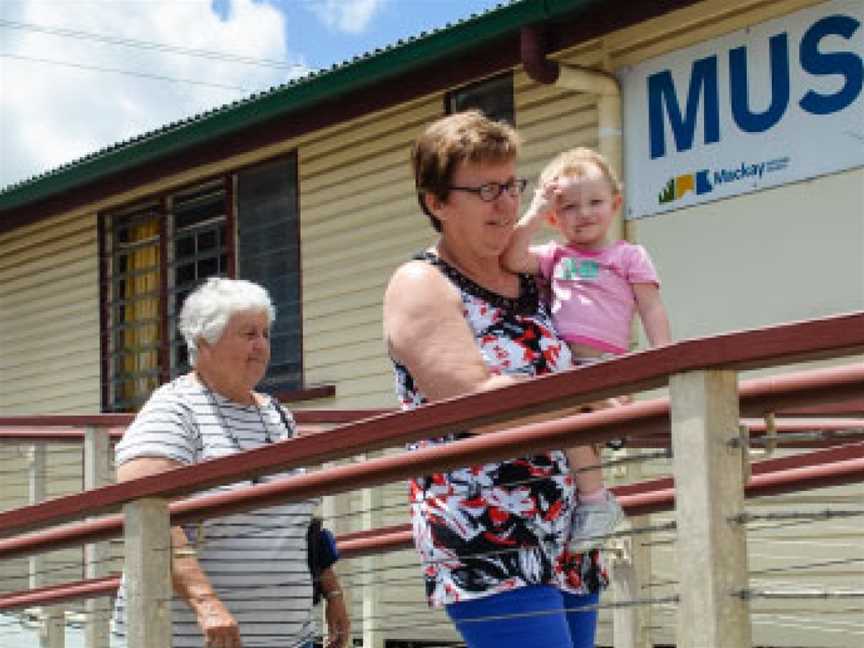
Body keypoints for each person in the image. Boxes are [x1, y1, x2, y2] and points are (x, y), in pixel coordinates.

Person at [383, 111, 607, 648]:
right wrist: (586, 408)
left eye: (511, 184)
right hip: (485, 531)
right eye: (485, 189)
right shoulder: (422, 283)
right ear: (436, 202)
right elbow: (476, 403)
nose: (505, 202)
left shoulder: (527, 276)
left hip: (565, 526)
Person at [111, 277, 350, 648]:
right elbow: (147, 513)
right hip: (196, 638)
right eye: (248, 334)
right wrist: (205, 603)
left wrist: (331, 591)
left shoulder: (276, 414)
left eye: (266, 333)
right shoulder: (175, 409)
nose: (261, 346)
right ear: (204, 340)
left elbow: (299, 522)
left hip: (290, 637)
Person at [502, 147, 672, 552]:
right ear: (554, 218)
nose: (584, 214)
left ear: (615, 204)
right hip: (567, 367)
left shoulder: (628, 256)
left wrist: (663, 355)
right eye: (569, 207)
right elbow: (511, 257)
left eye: (595, 202)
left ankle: (603, 468)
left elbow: (650, 305)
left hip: (609, 367)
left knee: (574, 411)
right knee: (570, 424)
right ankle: (596, 500)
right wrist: (534, 209)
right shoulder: (555, 256)